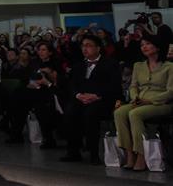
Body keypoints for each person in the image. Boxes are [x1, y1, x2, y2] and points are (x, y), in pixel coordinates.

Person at [114, 34, 173, 171]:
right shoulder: (138, 65)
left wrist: (149, 100)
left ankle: (141, 155)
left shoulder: (169, 66)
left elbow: (171, 91)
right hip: (140, 100)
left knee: (135, 114)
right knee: (119, 112)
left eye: (147, 44)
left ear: (157, 47)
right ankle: (130, 154)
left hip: (161, 103)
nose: (144, 47)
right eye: (142, 45)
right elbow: (133, 86)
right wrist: (135, 98)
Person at [60, 34, 122, 165]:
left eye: (88, 46)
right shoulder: (78, 66)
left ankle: (94, 153)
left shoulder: (110, 63)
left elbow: (114, 85)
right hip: (82, 99)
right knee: (70, 111)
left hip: (103, 99)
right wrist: (78, 95)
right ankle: (73, 150)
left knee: (91, 113)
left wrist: (96, 95)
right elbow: (71, 85)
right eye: (83, 46)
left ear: (98, 48)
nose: (85, 49)